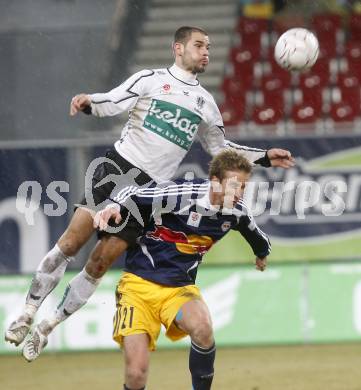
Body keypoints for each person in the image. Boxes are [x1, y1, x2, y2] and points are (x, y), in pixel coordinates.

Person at [6, 26, 292, 357]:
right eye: (199, 45)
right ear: (178, 48)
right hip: (116, 170)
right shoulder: (150, 79)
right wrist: (88, 103)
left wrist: (266, 157)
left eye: (209, 47)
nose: (206, 52)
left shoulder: (206, 104)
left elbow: (221, 149)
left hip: (147, 194)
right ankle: (27, 313)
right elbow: (111, 101)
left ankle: (46, 327)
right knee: (70, 243)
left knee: (100, 262)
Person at [97, 149, 269, 390]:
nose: (238, 193)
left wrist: (261, 255)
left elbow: (258, 237)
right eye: (233, 185)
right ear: (215, 182)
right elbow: (133, 193)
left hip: (179, 291)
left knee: (203, 328)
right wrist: (113, 205)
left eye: (243, 187)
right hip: (137, 288)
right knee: (136, 374)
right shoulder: (181, 194)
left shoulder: (237, 213)